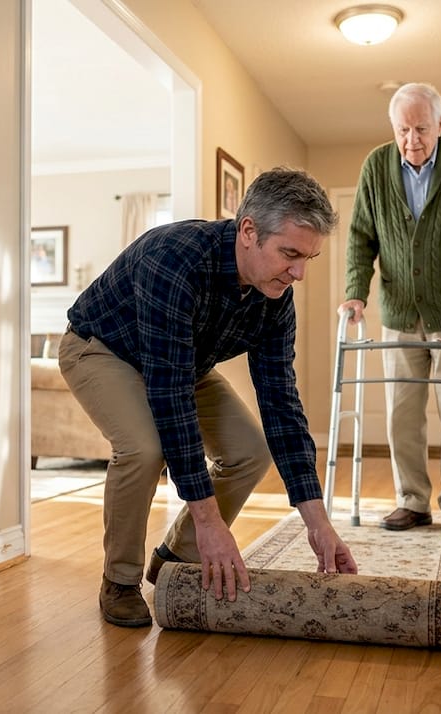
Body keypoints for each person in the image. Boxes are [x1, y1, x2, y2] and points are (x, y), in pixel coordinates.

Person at [61, 167, 359, 628]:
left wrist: (318, 522)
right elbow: (169, 396)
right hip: (103, 349)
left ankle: (174, 558)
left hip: (182, 364)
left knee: (251, 450)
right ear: (248, 231)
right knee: (144, 449)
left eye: (308, 258)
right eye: (290, 254)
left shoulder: (275, 296)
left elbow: (281, 402)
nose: (299, 273)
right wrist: (209, 521)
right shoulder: (174, 259)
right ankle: (119, 580)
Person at [337, 82, 441, 538]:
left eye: (421, 129)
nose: (411, 140)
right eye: (402, 130)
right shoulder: (376, 166)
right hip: (399, 312)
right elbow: (360, 238)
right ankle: (412, 501)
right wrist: (356, 292)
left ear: (440, 124)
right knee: (402, 413)